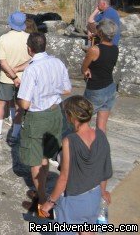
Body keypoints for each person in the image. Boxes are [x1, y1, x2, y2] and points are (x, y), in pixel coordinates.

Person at [40, 96, 112, 232]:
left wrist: (49, 203)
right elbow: (105, 168)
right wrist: (103, 191)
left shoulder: (70, 141)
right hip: (94, 197)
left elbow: (64, 177)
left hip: (74, 200)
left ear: (70, 117)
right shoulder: (101, 135)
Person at [17, 32, 72, 211]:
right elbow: (66, 89)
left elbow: (24, 103)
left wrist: (24, 92)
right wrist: (50, 90)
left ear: (29, 49)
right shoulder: (57, 62)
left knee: (35, 160)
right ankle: (40, 190)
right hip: (55, 113)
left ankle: (41, 201)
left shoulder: (31, 69)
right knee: (45, 157)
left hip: (38, 116)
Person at [0, 11, 31, 145]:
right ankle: (15, 135)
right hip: (23, 78)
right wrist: (18, 72)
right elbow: (32, 60)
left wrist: (12, 75)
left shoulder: (3, 38)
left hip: (7, 77)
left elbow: (2, 62)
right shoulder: (29, 38)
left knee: (1, 104)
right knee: (19, 106)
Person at [82, 19, 119, 133]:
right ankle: (101, 148)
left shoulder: (94, 49)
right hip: (110, 88)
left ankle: (82, 147)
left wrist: (86, 71)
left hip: (95, 89)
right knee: (102, 126)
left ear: (101, 33)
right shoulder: (115, 48)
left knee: (82, 121)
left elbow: (83, 68)